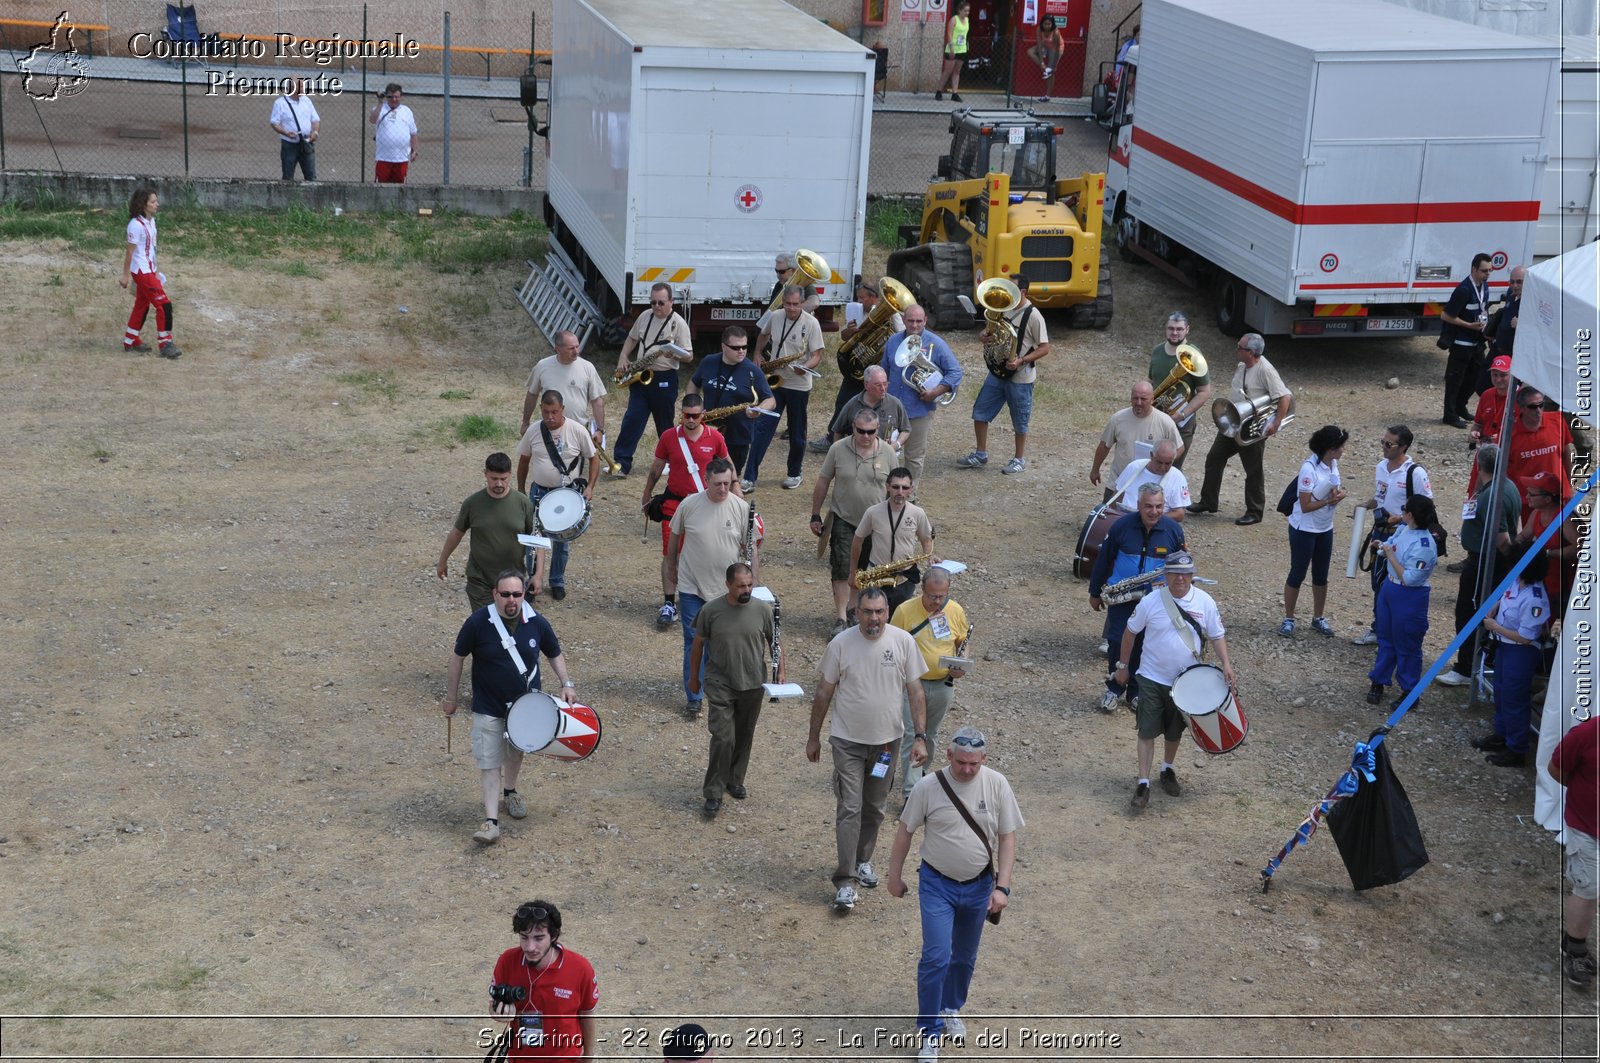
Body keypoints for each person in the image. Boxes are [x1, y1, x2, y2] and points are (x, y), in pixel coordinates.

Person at [885, 725, 1020, 1063]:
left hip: (978, 886)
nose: (967, 770)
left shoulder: (997, 784)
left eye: (974, 764)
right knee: (935, 956)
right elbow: (905, 832)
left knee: (964, 956)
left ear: (984, 759)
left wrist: (1002, 887)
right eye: (961, 762)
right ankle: (929, 1031)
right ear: (948, 755)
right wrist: (894, 876)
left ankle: (951, 1006)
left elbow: (1007, 839)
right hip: (937, 884)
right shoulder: (928, 788)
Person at [807, 587, 928, 912]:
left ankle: (863, 860)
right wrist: (814, 736)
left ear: (887, 612)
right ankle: (845, 882)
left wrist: (920, 736)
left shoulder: (902, 642)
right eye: (867, 612)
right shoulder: (841, 644)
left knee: (874, 807)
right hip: (847, 744)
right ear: (856, 613)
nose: (873, 618)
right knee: (850, 808)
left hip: (886, 746)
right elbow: (823, 692)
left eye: (879, 612)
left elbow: (916, 692)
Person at [443, 571, 577, 845]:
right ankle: (491, 821)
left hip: (525, 709)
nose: (512, 600)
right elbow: (458, 658)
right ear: (495, 594)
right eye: (505, 594)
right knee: (490, 762)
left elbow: (553, 652)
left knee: (516, 754)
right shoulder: (478, 622)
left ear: (524, 594)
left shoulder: (537, 623)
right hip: (488, 707)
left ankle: (511, 791)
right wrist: (451, 697)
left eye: (517, 594)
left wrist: (567, 683)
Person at [1118, 551, 1232, 810]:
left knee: (1174, 730)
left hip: (1185, 682)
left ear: (1192, 576)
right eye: (1174, 573)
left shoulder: (1205, 602)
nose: (1180, 578)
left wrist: (1226, 664)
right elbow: (1130, 632)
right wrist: (1123, 666)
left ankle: (1167, 769)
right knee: (1146, 730)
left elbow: (1217, 635)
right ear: (1166, 575)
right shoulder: (1151, 602)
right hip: (1151, 677)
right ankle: (1143, 782)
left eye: (1185, 574)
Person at [689, 562, 782, 815]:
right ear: (728, 584)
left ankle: (735, 779)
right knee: (723, 737)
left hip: (752, 682)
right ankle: (713, 792)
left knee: (743, 735)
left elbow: (775, 642)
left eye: (750, 585)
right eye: (741, 585)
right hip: (720, 681)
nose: (747, 590)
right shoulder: (711, 610)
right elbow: (697, 645)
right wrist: (693, 679)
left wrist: (780, 671)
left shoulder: (762, 610)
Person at [669, 459, 760, 716]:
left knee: (722, 641)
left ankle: (719, 688)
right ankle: (694, 696)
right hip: (692, 586)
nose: (723, 489)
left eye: (727, 483)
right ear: (707, 480)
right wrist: (670, 565)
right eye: (717, 483)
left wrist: (754, 581)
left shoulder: (741, 508)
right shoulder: (690, 505)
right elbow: (675, 535)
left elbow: (751, 546)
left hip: (725, 591)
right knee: (693, 640)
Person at [1088, 484, 1186, 713]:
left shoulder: (1173, 530)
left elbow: (1181, 566)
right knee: (1116, 642)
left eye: (1159, 506)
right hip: (1123, 598)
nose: (1154, 512)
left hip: (1155, 600)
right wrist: (1094, 592)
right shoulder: (1121, 526)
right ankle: (1114, 688)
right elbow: (1104, 559)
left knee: (1146, 645)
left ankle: (1135, 692)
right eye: (1149, 506)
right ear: (1139, 506)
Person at [641, 394, 732, 629]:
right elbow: (657, 467)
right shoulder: (669, 437)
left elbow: (726, 464)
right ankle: (669, 603)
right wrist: (646, 493)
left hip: (705, 504)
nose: (690, 420)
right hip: (675, 504)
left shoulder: (715, 437)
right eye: (686, 415)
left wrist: (737, 492)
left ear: (703, 414)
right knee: (670, 554)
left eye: (695, 415)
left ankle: (706, 598)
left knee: (709, 552)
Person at [1437, 445, 1521, 687]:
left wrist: (1512, 567)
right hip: (1491, 560)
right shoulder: (1508, 486)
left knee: (1469, 613)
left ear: (1478, 465)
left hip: (1486, 561)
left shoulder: (1492, 495)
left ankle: (1466, 667)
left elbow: (1502, 538)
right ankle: (1480, 662)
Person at [1191, 333, 1292, 525]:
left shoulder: (1266, 370)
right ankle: (1208, 501)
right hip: (1233, 422)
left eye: (1240, 347)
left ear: (1251, 352)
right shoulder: (1242, 366)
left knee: (1253, 470)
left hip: (1251, 426)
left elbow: (1284, 397)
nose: (1236, 349)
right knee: (1214, 458)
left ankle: (1254, 511)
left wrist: (1276, 423)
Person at [811, 410, 897, 634]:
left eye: (871, 432)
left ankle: (853, 609)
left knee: (865, 569)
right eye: (861, 431)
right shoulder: (838, 449)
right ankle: (840, 617)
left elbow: (896, 487)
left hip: (876, 523)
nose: (866, 436)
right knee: (840, 567)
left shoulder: (888, 453)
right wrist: (815, 514)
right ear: (853, 428)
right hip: (844, 517)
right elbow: (823, 480)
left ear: (877, 430)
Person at [1350, 425, 1434, 647]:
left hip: (1402, 536)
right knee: (1378, 583)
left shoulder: (1415, 473)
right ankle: (1380, 628)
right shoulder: (1381, 467)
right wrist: (1365, 506)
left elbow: (1426, 505)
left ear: (1403, 446)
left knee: (1397, 584)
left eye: (1389, 444)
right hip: (1380, 534)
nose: (1384, 447)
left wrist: (1398, 519)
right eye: (1383, 442)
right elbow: (1380, 498)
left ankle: (1391, 630)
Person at [958, 275, 1050, 475]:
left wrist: (1022, 360)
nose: (1007, 293)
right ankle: (980, 453)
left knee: (1020, 420)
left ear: (1023, 292)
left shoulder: (1034, 316)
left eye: (1013, 290)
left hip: (1020, 377)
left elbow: (1045, 348)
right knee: (980, 412)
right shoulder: (1003, 307)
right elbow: (989, 330)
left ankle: (1019, 459)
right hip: (997, 372)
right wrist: (983, 336)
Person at [890, 567, 970, 795]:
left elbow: (962, 642)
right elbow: (892, 643)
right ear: (922, 589)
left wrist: (961, 664)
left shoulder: (954, 610)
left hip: (942, 684)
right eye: (933, 596)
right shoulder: (905, 611)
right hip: (910, 684)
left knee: (930, 735)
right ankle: (911, 792)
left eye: (942, 596)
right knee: (912, 735)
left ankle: (920, 776)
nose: (938, 601)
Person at [515, 391, 599, 602]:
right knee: (534, 540)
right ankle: (533, 581)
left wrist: (589, 487)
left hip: (567, 493)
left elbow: (594, 459)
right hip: (539, 491)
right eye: (545, 412)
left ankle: (557, 581)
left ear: (562, 410)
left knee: (562, 542)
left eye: (554, 412)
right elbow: (524, 461)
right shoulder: (534, 431)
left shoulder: (577, 430)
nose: (550, 416)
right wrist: (521, 490)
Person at [488, 899, 599, 1059]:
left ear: (554, 936)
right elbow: (493, 1004)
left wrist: (588, 1057)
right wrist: (497, 1013)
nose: (530, 947)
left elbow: (587, 1014)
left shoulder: (580, 969)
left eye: (539, 938)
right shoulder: (507, 961)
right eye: (524, 937)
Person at [1471, 550, 1550, 768]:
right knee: (1502, 692)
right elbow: (1505, 594)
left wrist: (1495, 626)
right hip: (1506, 647)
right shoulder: (1517, 581)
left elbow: (1525, 637)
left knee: (1515, 698)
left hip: (1521, 652)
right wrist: (1495, 606)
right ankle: (1502, 735)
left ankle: (1516, 749)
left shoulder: (1535, 598)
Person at [439, 451, 544, 610]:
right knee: (485, 626)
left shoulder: (523, 504)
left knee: (509, 627)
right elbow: (456, 533)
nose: (499, 484)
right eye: (494, 479)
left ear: (510, 475)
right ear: (485, 474)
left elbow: (537, 539)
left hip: (512, 581)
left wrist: (538, 574)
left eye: (504, 479)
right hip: (479, 579)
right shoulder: (473, 503)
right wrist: (442, 561)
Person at [747, 285, 825, 491]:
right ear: (783, 302)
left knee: (798, 432)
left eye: (796, 304)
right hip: (775, 381)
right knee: (763, 428)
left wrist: (805, 367)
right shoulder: (775, 316)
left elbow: (817, 355)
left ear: (802, 303)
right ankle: (749, 476)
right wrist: (757, 352)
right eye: (788, 304)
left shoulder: (812, 323)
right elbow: (763, 334)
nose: (791, 308)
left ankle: (794, 473)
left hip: (799, 385)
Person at [1365, 495, 1439, 707]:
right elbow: (1391, 544)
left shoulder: (1425, 545)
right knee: (1385, 637)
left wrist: (1389, 555)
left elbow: (1409, 578)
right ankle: (1379, 679)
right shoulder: (1405, 528)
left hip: (1410, 596)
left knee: (1407, 644)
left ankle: (1410, 691)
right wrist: (1382, 547)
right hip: (1390, 588)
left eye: (1405, 510)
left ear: (1411, 515)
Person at [614, 282, 694, 475]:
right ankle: (621, 463)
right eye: (653, 302)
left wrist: (674, 355)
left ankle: (670, 461)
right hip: (641, 376)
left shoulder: (679, 324)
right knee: (632, 419)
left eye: (661, 302)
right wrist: (623, 357)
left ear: (671, 302)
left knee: (664, 424)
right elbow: (632, 338)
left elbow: (690, 356)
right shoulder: (644, 316)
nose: (656, 307)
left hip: (664, 378)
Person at [883, 305, 963, 486]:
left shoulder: (936, 343)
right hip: (892, 407)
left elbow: (956, 372)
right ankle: (886, 492)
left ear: (925, 321)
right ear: (903, 320)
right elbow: (884, 370)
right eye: (910, 321)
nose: (914, 325)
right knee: (886, 452)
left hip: (919, 409)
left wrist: (936, 391)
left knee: (914, 457)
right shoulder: (893, 342)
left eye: (919, 321)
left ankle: (909, 496)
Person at [1280, 426, 1348, 638]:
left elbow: (1333, 486)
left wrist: (1335, 495)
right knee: (1297, 573)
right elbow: (1306, 505)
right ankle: (1289, 618)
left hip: (1324, 527)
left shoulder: (1332, 464)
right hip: (1304, 529)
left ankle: (1318, 617)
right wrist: (1330, 500)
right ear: (1330, 449)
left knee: (1321, 575)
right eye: (1340, 447)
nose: (1343, 450)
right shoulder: (1308, 469)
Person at [1547, 714, 1600, 988]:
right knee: (1588, 888)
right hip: (1587, 828)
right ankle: (1576, 949)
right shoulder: (1588, 733)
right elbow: (1557, 768)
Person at [820, 282, 906, 447]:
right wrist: (850, 332)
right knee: (843, 402)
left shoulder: (891, 314)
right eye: (858, 297)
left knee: (871, 403)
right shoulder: (856, 311)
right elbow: (844, 336)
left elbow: (901, 336)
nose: (859, 301)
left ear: (874, 297)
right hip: (856, 366)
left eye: (862, 297)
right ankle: (833, 436)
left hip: (876, 368)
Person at [850, 467, 937, 618]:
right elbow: (857, 540)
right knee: (876, 618)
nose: (900, 492)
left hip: (905, 578)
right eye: (896, 487)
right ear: (887, 487)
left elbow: (926, 538)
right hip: (877, 577)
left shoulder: (918, 513)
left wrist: (929, 554)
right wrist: (853, 572)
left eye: (905, 487)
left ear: (911, 489)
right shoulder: (873, 512)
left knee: (900, 619)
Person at [688, 327, 777, 476]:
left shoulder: (752, 370)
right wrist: (694, 406)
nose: (741, 351)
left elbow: (770, 399)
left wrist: (758, 410)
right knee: (702, 476)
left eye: (744, 347)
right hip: (707, 432)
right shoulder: (709, 361)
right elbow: (693, 383)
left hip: (737, 437)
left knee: (727, 479)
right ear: (723, 346)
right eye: (736, 347)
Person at [1088, 381, 1182, 500]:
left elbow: (1179, 448)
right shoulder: (1118, 419)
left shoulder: (1166, 422)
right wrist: (1095, 469)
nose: (1138, 403)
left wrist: (1163, 463)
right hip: (1118, 483)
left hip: (1150, 487)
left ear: (1152, 399)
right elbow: (1104, 446)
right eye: (1135, 398)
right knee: (1110, 515)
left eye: (1143, 399)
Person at [118, 187, 180, 359]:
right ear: (143, 205)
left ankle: (130, 340)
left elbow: (151, 249)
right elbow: (130, 252)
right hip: (142, 272)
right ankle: (165, 342)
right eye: (153, 202)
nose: (157, 204)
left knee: (142, 305)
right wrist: (125, 275)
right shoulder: (135, 226)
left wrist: (156, 271)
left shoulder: (151, 222)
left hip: (149, 271)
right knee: (164, 305)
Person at [522, 331, 607, 449]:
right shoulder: (542, 366)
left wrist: (600, 430)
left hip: (578, 430)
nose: (576, 351)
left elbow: (597, 401)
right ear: (557, 349)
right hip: (549, 429)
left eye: (577, 346)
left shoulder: (588, 368)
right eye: (571, 348)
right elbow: (532, 395)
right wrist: (525, 423)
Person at [1147, 311, 1211, 466]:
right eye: (1171, 328)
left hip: (1181, 422)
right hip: (1155, 417)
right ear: (1165, 329)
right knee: (1150, 462)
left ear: (1187, 329)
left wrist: (1180, 415)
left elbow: (1204, 392)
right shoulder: (1157, 350)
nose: (1174, 332)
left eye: (1179, 329)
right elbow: (1151, 380)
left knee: (1171, 467)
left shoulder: (1193, 354)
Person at [1439, 252, 1493, 428]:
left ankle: (1461, 406)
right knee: (1455, 379)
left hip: (1477, 341)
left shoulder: (1485, 287)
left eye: (1490, 271)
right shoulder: (1463, 290)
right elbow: (1446, 316)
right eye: (1484, 271)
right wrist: (1468, 325)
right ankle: (1450, 415)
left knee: (1476, 376)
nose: (1487, 274)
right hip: (1461, 343)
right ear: (1474, 269)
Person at [1505, 385, 1575, 521]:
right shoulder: (1509, 433)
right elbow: (1503, 468)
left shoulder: (1557, 420)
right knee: (1534, 539)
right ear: (1522, 408)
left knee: (1564, 538)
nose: (1538, 410)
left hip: (1559, 494)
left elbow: (1567, 453)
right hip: (1530, 500)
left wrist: (1570, 485)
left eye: (1541, 405)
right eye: (1533, 407)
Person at [1515, 470, 1578, 618]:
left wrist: (1549, 554)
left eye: (1532, 494)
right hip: (1544, 582)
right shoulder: (1536, 513)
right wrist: (1512, 548)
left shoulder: (1566, 519)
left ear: (1548, 499)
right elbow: (1523, 536)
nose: (1527, 497)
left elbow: (1580, 548)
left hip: (1565, 585)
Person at [830, 365, 908, 451]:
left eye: (885, 384)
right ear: (866, 385)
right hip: (857, 457)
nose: (883, 389)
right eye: (878, 385)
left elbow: (906, 430)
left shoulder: (895, 404)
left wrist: (896, 445)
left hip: (884, 457)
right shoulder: (852, 404)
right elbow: (838, 431)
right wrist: (839, 454)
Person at [1110, 440, 1190, 519]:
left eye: (1168, 463)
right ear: (1151, 455)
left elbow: (1179, 514)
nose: (1163, 467)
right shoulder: (1134, 467)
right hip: (1125, 519)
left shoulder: (1177, 477)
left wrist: (1152, 518)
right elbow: (1117, 495)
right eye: (1159, 462)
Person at [269, 78, 320, 181]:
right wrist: (286, 133)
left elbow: (315, 120)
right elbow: (274, 122)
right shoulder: (280, 103)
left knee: (311, 177)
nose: (304, 88)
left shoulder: (306, 100)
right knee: (288, 177)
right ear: (292, 88)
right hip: (289, 144)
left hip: (306, 142)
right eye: (301, 86)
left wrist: (315, 132)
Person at [368, 82, 417, 183]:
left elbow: (413, 133)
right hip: (383, 158)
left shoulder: (406, 111)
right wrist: (380, 102)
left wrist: (414, 150)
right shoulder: (380, 109)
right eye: (391, 97)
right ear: (386, 96)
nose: (394, 99)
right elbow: (372, 120)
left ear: (400, 96)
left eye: (396, 97)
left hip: (402, 158)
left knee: (400, 187)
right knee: (381, 186)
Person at [1468, 355, 1514, 461]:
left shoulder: (1520, 397)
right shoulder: (1486, 395)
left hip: (1509, 455)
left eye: (1503, 375)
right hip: (1485, 453)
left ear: (1512, 374)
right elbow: (1477, 424)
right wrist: (1473, 435)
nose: (1498, 379)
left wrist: (1501, 439)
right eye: (1494, 375)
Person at [1485, 264, 1525, 362]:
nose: (1515, 285)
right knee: (1483, 374)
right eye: (1512, 282)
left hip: (1512, 355)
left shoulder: (1530, 302)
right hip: (1497, 348)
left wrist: (1522, 324)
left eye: (1519, 282)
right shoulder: (1510, 293)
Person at [934, 1, 970, 102]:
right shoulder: (954, 19)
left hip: (962, 49)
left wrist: (966, 47)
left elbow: (965, 34)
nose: (967, 12)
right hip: (952, 48)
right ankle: (939, 91)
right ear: (959, 10)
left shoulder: (967, 20)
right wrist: (952, 48)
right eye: (965, 10)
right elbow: (949, 34)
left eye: (968, 10)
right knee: (947, 71)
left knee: (957, 72)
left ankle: (954, 93)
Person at [1026, 15, 1065, 101]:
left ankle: (1047, 96)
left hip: (1056, 49)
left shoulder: (1055, 32)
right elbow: (1039, 46)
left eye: (1049, 24)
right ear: (1042, 24)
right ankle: (1045, 69)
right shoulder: (1039, 30)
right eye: (1045, 24)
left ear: (1052, 24)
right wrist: (1042, 62)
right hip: (1046, 45)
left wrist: (1054, 65)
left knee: (1050, 73)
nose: (1047, 26)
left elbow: (1058, 49)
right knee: (1030, 51)